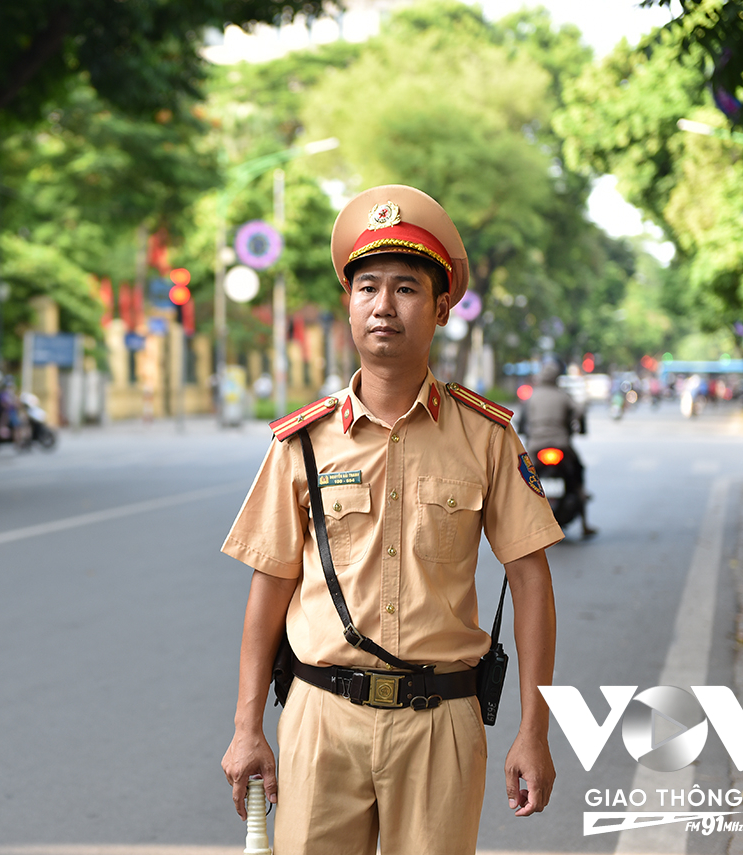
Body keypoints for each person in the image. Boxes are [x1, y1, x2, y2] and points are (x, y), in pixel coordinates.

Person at [220, 185, 562, 855]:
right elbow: (269, 589)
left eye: (405, 288)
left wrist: (534, 730)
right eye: (366, 287)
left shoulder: (486, 437)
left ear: (439, 308)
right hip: (321, 718)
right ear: (349, 305)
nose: (383, 305)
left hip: (440, 726)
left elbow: (531, 582)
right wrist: (245, 727)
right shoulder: (303, 443)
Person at [517, 357, 597, 537]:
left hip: (536, 447)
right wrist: (581, 428)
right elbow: (580, 411)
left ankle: (521, 526)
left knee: (524, 481)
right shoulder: (563, 396)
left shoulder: (531, 398)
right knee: (578, 474)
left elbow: (522, 422)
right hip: (562, 445)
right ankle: (585, 525)